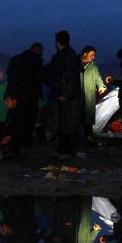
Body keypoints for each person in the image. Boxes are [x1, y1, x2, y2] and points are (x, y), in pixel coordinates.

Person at [46, 30, 81, 159]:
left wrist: (65, 93)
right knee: (60, 123)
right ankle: (61, 150)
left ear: (57, 42)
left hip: (67, 97)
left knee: (68, 123)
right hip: (60, 95)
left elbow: (72, 77)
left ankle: (68, 151)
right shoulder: (61, 56)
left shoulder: (68, 56)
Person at [5, 42, 44, 147]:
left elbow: (9, 74)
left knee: (15, 119)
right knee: (29, 120)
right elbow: (40, 77)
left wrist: (9, 94)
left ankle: (13, 142)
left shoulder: (15, 59)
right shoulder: (36, 60)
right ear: (38, 51)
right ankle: (25, 144)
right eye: (41, 53)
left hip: (14, 95)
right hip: (30, 95)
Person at [79, 46, 106, 145]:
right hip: (77, 95)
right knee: (76, 115)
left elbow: (98, 78)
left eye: (94, 55)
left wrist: (101, 86)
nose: (93, 57)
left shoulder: (93, 67)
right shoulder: (76, 64)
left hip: (89, 95)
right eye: (91, 55)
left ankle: (88, 137)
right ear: (85, 54)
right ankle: (75, 136)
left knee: (88, 117)